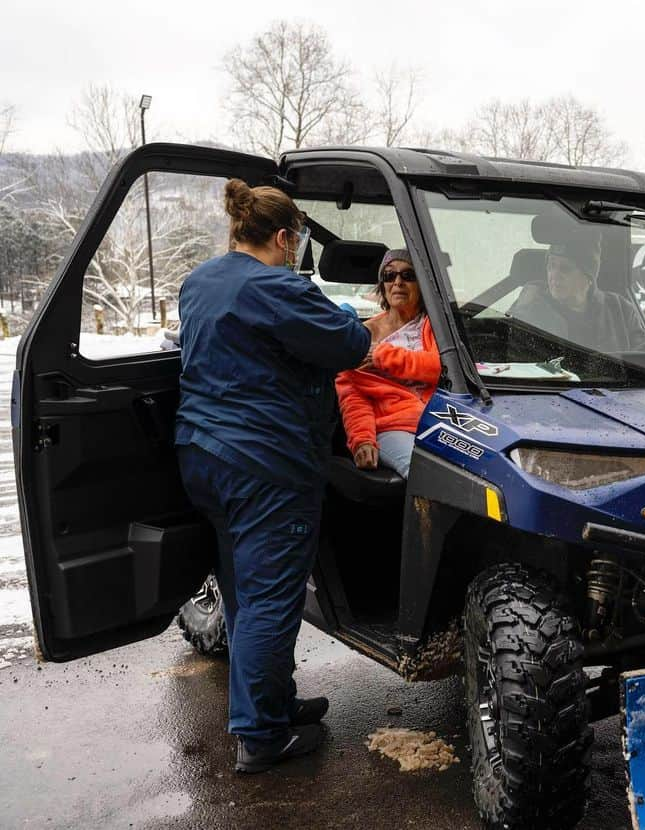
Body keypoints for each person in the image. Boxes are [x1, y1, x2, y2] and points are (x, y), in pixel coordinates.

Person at [175, 179, 372, 773]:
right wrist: (341, 310)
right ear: (285, 237)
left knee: (244, 592)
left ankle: (276, 703)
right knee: (269, 599)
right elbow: (351, 342)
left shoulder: (199, 281)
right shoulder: (278, 287)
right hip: (265, 465)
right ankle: (261, 736)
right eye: (296, 242)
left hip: (203, 455)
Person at [335, 249, 441, 478]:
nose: (398, 282)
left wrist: (384, 357)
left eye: (408, 275)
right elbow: (353, 395)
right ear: (382, 285)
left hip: (442, 422)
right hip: (395, 427)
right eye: (389, 276)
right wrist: (362, 440)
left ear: (421, 284)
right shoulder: (362, 335)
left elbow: (440, 367)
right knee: (426, 475)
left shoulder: (434, 326)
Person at [509, 230, 645, 352]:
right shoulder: (530, 308)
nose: (554, 275)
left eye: (565, 268)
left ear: (588, 276)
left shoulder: (620, 309)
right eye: (551, 266)